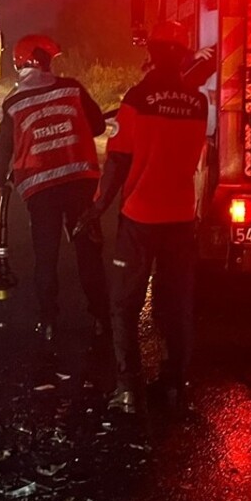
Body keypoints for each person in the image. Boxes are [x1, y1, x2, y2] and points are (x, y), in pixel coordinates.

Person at [78, 21, 208, 414]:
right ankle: (175, 385)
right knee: (176, 304)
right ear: (183, 54)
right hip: (181, 217)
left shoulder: (137, 98)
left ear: (151, 52)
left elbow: (118, 161)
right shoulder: (197, 102)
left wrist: (96, 208)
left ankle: (129, 390)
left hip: (140, 218)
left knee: (124, 304)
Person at [0, 33, 110, 343]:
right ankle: (100, 317)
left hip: (40, 191)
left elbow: (2, 147)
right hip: (79, 186)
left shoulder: (15, 102)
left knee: (45, 256)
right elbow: (97, 125)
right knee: (88, 253)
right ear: (41, 60)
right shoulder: (72, 88)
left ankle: (48, 321)